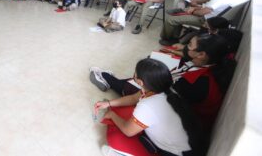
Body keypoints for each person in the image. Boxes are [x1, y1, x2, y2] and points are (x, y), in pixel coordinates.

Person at [92, 34, 234, 136]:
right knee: (135, 80)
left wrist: (112, 112)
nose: (186, 47)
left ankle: (105, 77)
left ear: (201, 54)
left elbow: (130, 127)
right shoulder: (205, 67)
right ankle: (109, 77)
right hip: (182, 117)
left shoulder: (193, 85)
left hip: (183, 129)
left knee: (129, 85)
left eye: (189, 45)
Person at [94, 58, 204, 156]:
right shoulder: (166, 89)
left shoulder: (148, 105)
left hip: (177, 153)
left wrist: (112, 115)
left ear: (140, 82)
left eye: (135, 75)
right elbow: (133, 98)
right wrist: (109, 103)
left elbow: (128, 131)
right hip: (192, 143)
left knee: (115, 140)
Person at [160, 0, 243, 45]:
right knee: (179, 14)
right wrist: (194, 8)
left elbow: (201, 13)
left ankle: (168, 39)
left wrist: (192, 11)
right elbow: (206, 7)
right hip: (208, 16)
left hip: (205, 20)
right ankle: (175, 35)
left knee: (170, 20)